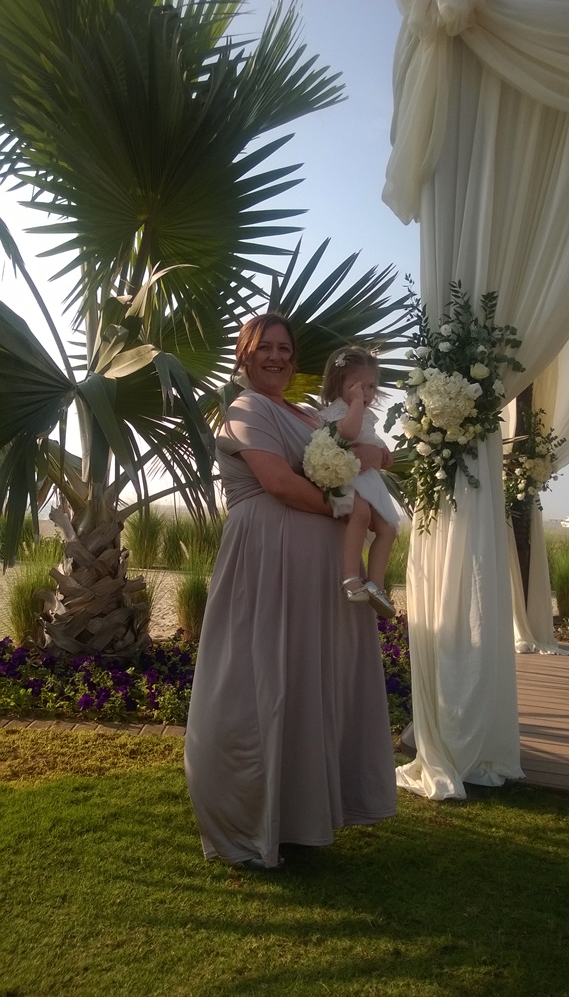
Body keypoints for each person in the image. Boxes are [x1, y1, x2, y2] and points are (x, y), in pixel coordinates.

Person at [184, 314, 397, 871]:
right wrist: (347, 504)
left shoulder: (306, 413)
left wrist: (370, 461)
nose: (276, 357)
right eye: (265, 348)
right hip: (267, 561)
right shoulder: (244, 409)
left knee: (308, 682)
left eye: (284, 348)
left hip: (321, 572)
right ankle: (248, 817)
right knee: (260, 682)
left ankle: (303, 814)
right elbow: (279, 483)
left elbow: (356, 454)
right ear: (245, 355)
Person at [319, 347, 399, 619]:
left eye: (371, 386)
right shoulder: (338, 410)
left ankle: (376, 584)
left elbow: (369, 436)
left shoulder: (362, 413)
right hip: (345, 476)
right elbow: (350, 432)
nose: (365, 393)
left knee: (388, 528)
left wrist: (382, 449)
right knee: (361, 515)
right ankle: (350, 577)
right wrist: (354, 403)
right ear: (338, 384)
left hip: (365, 477)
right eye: (357, 386)